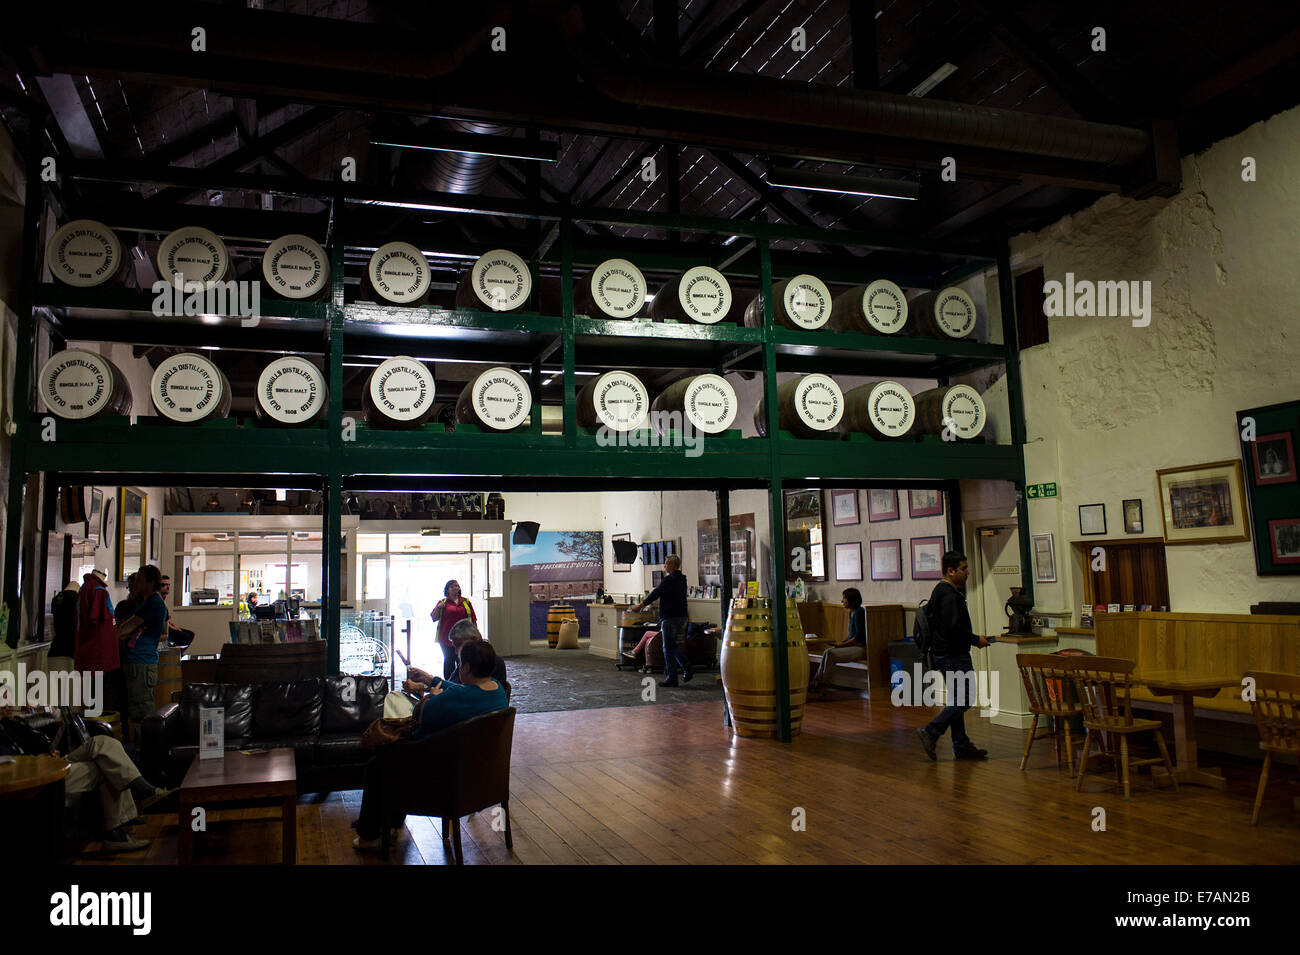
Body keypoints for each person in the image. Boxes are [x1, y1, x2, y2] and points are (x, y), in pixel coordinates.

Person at [353, 640, 508, 851]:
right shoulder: (498, 691)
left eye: (460, 662)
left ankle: (369, 836)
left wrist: (428, 694)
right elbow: (462, 691)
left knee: (378, 764)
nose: (458, 665)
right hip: (476, 774)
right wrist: (430, 679)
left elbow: (420, 713)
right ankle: (387, 823)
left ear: (467, 668)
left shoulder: (458, 698)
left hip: (439, 771)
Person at [0, 706, 173, 853]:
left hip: (51, 762)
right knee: (103, 763)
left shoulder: (10, 724)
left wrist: (45, 752)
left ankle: (144, 794)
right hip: (40, 777)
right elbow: (13, 762)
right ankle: (143, 796)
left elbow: (34, 741)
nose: (7, 704)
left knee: (103, 743)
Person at [916, 552, 990, 761]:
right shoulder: (948, 594)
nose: (967, 573)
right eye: (963, 569)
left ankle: (961, 744)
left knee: (957, 698)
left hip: (943, 653)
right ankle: (931, 731)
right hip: (953, 655)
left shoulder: (939, 591)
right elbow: (954, 628)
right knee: (966, 697)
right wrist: (976, 640)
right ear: (951, 571)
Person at [115, 565, 168, 745]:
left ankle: (145, 754)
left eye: (139, 579)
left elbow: (123, 630)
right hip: (136, 661)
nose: (135, 583)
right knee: (135, 708)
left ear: (150, 582)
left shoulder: (153, 603)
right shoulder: (146, 602)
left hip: (142, 662)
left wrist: (129, 630)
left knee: (141, 711)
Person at [629, 553, 691, 687]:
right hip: (682, 616)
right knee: (671, 645)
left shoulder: (669, 580)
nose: (664, 565)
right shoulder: (682, 579)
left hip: (670, 617)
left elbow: (656, 593)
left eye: (667, 563)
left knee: (668, 647)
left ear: (673, 565)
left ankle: (674, 676)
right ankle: (685, 668)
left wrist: (640, 605)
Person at [75, 569, 124, 723]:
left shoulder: (85, 588)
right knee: (95, 700)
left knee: (90, 697)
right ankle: (96, 732)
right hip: (98, 653)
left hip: (88, 651)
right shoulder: (98, 591)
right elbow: (95, 621)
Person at [811, 587, 867, 693]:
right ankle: (817, 681)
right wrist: (841, 643)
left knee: (831, 654)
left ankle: (822, 683)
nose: (842, 601)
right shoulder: (852, 613)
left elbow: (859, 637)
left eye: (844, 598)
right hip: (853, 646)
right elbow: (851, 635)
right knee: (827, 651)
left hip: (861, 648)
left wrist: (843, 645)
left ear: (851, 600)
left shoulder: (859, 612)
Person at [430, 580, 477, 681]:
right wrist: (438, 608)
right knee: (449, 660)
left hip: (463, 637)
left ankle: (462, 681)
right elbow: (434, 618)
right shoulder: (443, 603)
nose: (455, 588)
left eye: (457, 586)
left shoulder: (465, 602)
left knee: (462, 660)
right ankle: (449, 682)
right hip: (446, 638)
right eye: (452, 586)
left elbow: (473, 619)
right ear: (447, 589)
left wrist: (476, 634)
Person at [47, 580, 80, 673]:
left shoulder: (56, 600)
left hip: (55, 649)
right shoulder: (78, 599)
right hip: (71, 651)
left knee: (55, 686)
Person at [159, 575, 195, 648]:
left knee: (190, 634)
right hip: (161, 627)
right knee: (186, 636)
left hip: (166, 625)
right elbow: (161, 620)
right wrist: (172, 628)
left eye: (168, 585)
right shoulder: (157, 599)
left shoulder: (163, 598)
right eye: (164, 585)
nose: (167, 587)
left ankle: (178, 653)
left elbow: (167, 618)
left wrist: (174, 626)